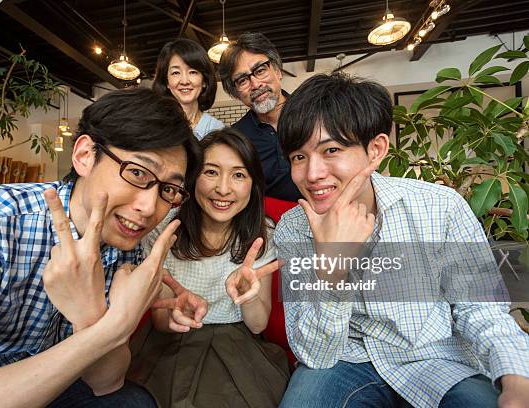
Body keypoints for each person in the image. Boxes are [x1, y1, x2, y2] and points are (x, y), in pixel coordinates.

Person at [0, 88, 204, 407]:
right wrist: (114, 326)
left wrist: (91, 316)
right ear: (84, 155)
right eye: (137, 172)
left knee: (133, 401)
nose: (149, 207)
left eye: (168, 189)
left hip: (60, 380)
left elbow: (106, 383)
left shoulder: (127, 241)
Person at [274, 73, 529, 408]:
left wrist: (516, 380)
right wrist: (333, 266)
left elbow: (479, 308)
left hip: (436, 358)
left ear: (376, 149)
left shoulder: (440, 206)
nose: (312, 174)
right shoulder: (293, 229)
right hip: (344, 361)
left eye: (331, 149)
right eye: (299, 157)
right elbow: (315, 353)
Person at [127, 128, 290, 407]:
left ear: (253, 184)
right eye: (211, 172)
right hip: (170, 346)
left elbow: (257, 324)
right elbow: (161, 320)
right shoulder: (166, 227)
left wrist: (247, 295)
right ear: (191, 179)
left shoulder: (263, 234)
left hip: (238, 344)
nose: (223, 189)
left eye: (238, 175)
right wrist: (176, 314)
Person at [219, 32, 301, 202]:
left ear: (278, 71)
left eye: (260, 70)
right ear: (236, 94)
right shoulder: (237, 137)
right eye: (242, 80)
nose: (256, 84)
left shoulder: (315, 113)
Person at [152, 38, 224, 140]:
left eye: (193, 72)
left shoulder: (217, 130)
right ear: (167, 82)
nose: (184, 81)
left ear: (204, 81)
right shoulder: (154, 128)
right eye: (176, 73)